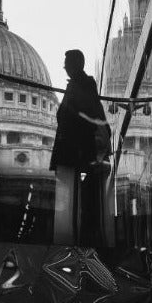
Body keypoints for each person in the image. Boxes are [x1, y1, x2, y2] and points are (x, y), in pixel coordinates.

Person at [50, 49, 110, 246]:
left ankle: (73, 238)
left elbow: (84, 115)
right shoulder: (79, 84)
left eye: (67, 62)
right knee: (73, 197)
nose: (64, 66)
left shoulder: (83, 84)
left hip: (75, 148)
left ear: (77, 64)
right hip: (75, 147)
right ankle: (74, 235)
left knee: (73, 199)